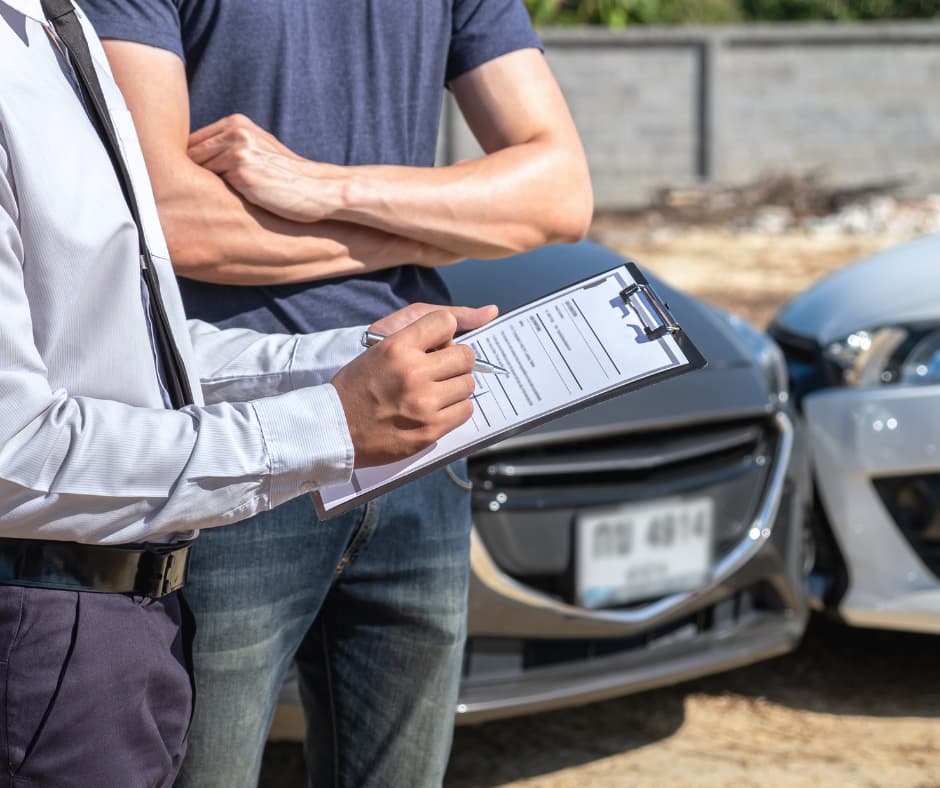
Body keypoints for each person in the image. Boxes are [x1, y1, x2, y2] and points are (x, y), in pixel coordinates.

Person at [81, 1, 593, 785]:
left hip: (426, 429)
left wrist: (323, 188)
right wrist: (443, 223)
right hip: (236, 434)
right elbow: (163, 215)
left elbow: (558, 196)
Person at [0, 1, 496, 786]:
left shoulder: (54, 30)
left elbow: (131, 350)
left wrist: (344, 356)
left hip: (126, 612)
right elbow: (13, 451)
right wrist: (329, 421)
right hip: (51, 610)